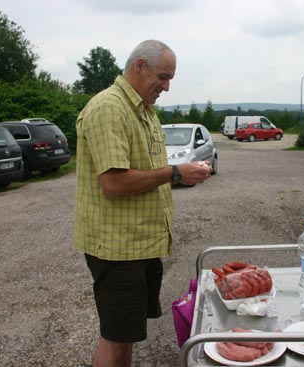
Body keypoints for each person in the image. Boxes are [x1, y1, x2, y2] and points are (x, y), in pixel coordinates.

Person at [74, 39, 213, 367]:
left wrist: (178, 174)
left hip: (138, 245)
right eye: (162, 77)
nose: (166, 87)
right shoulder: (109, 108)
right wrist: (177, 172)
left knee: (125, 334)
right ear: (139, 67)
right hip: (117, 248)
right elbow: (114, 182)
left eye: (170, 80)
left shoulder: (144, 112)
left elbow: (146, 171)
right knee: (116, 337)